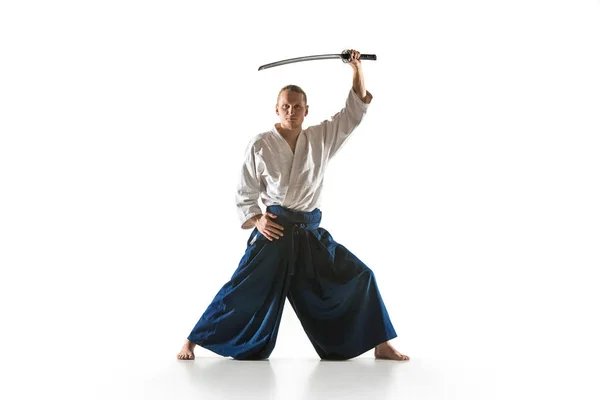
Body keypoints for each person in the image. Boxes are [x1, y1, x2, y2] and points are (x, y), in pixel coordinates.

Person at [177, 49, 409, 361]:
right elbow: (245, 193)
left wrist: (356, 69)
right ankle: (191, 341)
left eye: (297, 107)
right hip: (274, 234)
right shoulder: (260, 144)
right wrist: (258, 220)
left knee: (361, 276)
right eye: (285, 106)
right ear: (276, 109)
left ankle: (380, 343)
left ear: (306, 110)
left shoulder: (321, 137)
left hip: (309, 235)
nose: (291, 111)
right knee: (241, 289)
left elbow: (354, 111)